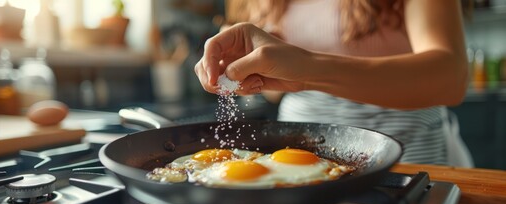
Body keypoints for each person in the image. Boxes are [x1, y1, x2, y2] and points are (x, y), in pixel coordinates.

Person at [194, 0, 473, 167]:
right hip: (297, 162)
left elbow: (452, 78)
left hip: (409, 156)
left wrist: (306, 70)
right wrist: (253, 68)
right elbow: (274, 95)